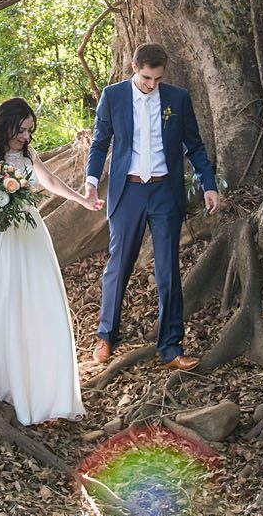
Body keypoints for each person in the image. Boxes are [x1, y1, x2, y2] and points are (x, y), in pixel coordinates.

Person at [84, 44, 220, 371]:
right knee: (120, 263)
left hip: (164, 191)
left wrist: (209, 184)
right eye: (146, 77)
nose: (151, 85)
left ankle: (171, 347)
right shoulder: (113, 96)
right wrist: (90, 180)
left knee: (168, 269)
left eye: (158, 79)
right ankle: (106, 335)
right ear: (134, 67)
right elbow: (101, 141)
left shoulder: (177, 98)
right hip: (128, 190)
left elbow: (194, 144)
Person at [0, 99, 94, 425]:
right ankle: (7, 388)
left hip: (31, 234)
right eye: (21, 129)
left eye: (29, 130)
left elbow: (49, 181)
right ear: (6, 124)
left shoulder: (26, 156)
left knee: (41, 301)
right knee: (6, 303)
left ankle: (45, 389)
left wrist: (81, 199)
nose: (25, 136)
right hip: (0, 237)